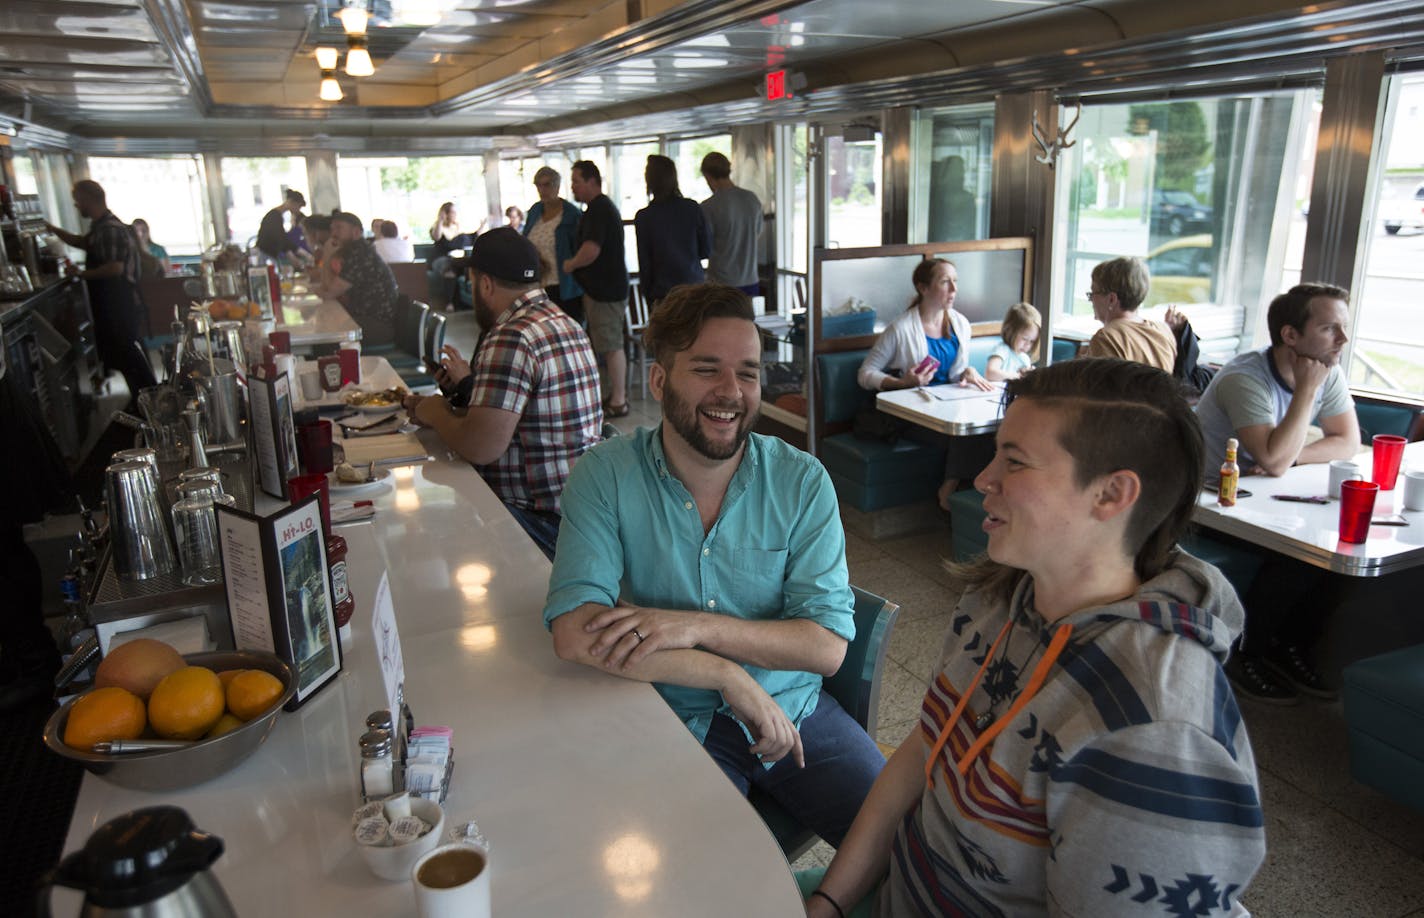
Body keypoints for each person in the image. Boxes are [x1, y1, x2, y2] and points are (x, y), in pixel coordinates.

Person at [804, 357, 1264, 918]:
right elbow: (925, 750)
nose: (983, 479)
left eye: (1014, 462)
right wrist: (829, 900)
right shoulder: (1002, 596)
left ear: (1111, 494)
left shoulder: (1154, 730)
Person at [543, 284, 884, 848]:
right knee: (692, 881)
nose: (732, 392)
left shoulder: (800, 481)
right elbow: (575, 635)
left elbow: (825, 647)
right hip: (671, 716)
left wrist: (696, 628)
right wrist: (723, 674)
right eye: (707, 369)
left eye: (747, 373)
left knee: (908, 846)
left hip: (791, 707)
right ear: (659, 381)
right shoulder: (604, 475)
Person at [1195, 282, 1361, 704]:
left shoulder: (1329, 369)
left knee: (1337, 559)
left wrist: (1295, 454)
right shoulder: (1244, 378)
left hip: (1264, 499)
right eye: (1329, 329)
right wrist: (1306, 392)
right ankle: (1245, 653)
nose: (1342, 340)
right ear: (1290, 335)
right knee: (1299, 557)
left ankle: (1288, 649)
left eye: (1342, 328)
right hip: (1208, 504)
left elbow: (1346, 441)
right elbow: (1272, 460)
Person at [402, 229, 602, 559]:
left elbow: (482, 447)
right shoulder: (565, 323)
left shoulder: (511, 335)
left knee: (422, 539)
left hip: (538, 523)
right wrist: (461, 396)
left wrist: (435, 410)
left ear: (484, 284)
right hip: (581, 514)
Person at [857, 258, 994, 510]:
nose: (953, 289)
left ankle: (961, 494)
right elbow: (865, 374)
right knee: (962, 435)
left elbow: (954, 374)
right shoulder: (901, 328)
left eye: (955, 281)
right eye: (945, 282)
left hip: (946, 405)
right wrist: (901, 382)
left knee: (983, 430)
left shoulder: (960, 324)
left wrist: (968, 371)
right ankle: (949, 491)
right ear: (923, 288)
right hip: (911, 415)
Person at [45, 180, 157, 407]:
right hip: (112, 305)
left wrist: (81, 273)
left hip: (118, 304)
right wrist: (53, 230)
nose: (77, 206)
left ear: (88, 199)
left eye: (78, 201)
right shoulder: (101, 228)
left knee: (129, 355)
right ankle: (142, 400)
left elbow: (115, 268)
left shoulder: (109, 229)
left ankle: (148, 400)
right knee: (125, 354)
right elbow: (81, 242)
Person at [563, 161, 631, 417]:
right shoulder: (597, 208)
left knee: (611, 345)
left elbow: (591, 249)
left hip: (606, 291)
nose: (573, 187)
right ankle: (614, 396)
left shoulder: (600, 210)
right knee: (607, 343)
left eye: (576, 181)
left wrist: (570, 264)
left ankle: (619, 400)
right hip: (601, 289)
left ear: (593, 181)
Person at [635, 155, 710, 306]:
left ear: (649, 181)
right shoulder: (692, 208)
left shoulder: (644, 217)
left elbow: (645, 263)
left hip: (663, 293)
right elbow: (706, 250)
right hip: (694, 287)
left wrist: (648, 294)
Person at [1084, 256, 1177, 372]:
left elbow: (1100, 388)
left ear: (1112, 299)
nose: (1091, 300)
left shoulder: (1107, 338)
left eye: (1093, 293)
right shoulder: (1163, 330)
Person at [320, 211, 398, 346]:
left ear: (356, 232)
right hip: (365, 320)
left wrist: (327, 255)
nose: (333, 233)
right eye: (332, 228)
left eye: (339, 228)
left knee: (326, 337)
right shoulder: (356, 251)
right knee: (325, 328)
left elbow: (329, 293)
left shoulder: (360, 255)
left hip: (377, 326)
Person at [699, 152, 763, 295]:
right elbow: (757, 233)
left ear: (708, 176)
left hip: (721, 282)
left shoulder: (709, 206)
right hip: (750, 279)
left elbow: (706, 246)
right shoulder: (752, 199)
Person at [428, 201, 472, 310]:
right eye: (452, 212)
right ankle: (449, 303)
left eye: (455, 212)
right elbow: (436, 237)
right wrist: (440, 220)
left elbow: (470, 239)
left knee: (466, 266)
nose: (454, 215)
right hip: (441, 258)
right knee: (449, 268)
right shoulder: (439, 227)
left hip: (458, 258)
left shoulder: (459, 228)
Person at [984, 301, 1041, 381]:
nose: (1027, 344)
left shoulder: (1025, 358)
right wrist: (1018, 376)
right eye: (1024, 339)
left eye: (1032, 341)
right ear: (1011, 332)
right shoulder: (1002, 350)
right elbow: (990, 373)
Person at [256, 189, 310, 266]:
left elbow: (281, 238)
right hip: (265, 254)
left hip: (268, 253)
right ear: (291, 202)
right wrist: (292, 253)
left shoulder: (276, 216)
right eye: (298, 207)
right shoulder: (274, 216)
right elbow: (279, 237)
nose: (298, 210)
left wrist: (299, 252)